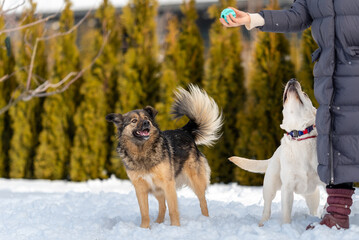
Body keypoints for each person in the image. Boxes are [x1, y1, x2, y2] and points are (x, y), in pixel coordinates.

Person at [219, 0, 358, 230]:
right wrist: (252, 19)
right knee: (336, 137)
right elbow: (297, 16)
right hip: (330, 75)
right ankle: (337, 212)